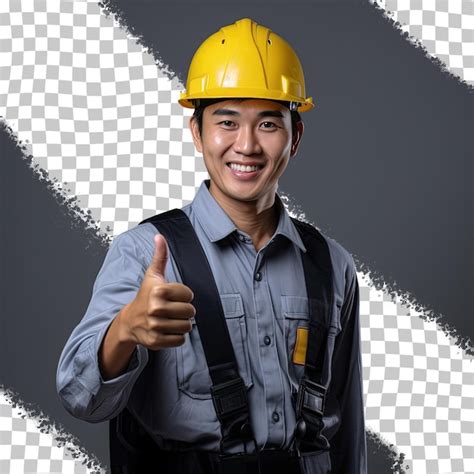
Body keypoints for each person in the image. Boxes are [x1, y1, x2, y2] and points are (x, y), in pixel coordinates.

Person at [56, 17, 367, 474]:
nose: (246, 145)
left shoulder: (330, 265)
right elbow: (79, 398)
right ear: (198, 133)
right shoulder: (146, 254)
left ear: (294, 138)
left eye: (267, 123)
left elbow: (348, 432)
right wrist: (124, 329)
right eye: (226, 121)